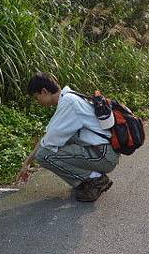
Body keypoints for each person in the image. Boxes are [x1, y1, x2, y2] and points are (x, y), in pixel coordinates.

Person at [17, 72, 119, 202]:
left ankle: (95, 179)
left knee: (43, 155)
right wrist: (27, 162)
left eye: (37, 98)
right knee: (55, 144)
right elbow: (48, 136)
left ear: (44, 91)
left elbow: (46, 143)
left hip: (104, 156)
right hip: (104, 152)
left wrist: (30, 161)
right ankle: (89, 178)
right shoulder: (69, 97)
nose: (38, 102)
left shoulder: (69, 103)